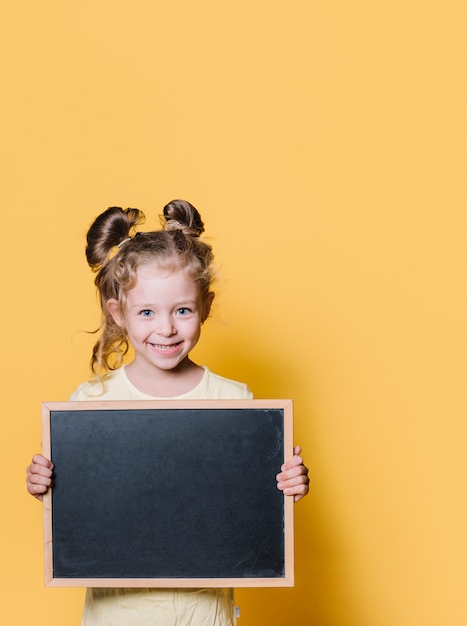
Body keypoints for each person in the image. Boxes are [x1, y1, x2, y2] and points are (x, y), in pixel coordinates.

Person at [26, 199, 310, 626]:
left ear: (205, 308)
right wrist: (44, 484)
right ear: (117, 313)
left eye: (182, 310)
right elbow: (80, 509)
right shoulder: (90, 403)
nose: (166, 329)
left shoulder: (234, 401)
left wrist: (287, 485)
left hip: (204, 613)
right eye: (146, 312)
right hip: (115, 613)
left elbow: (250, 511)